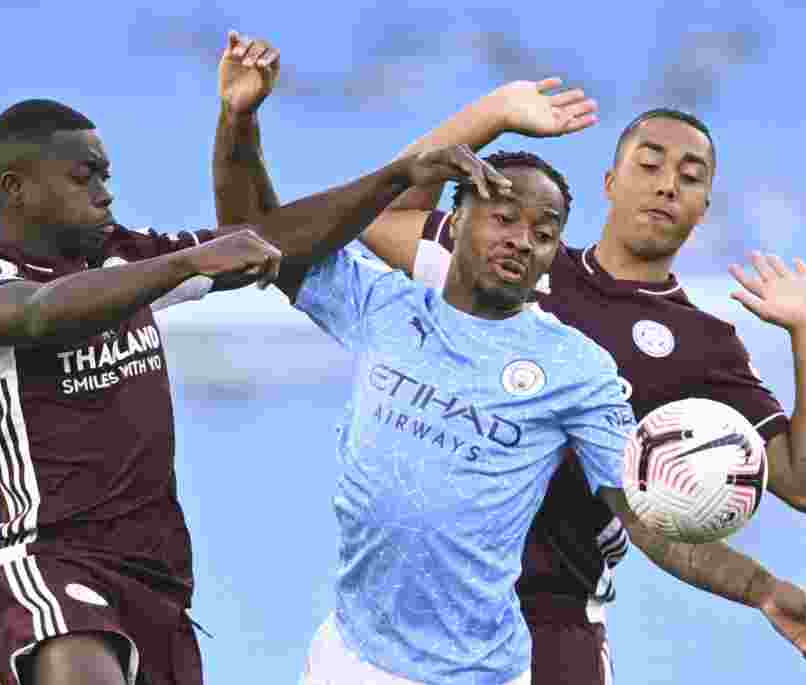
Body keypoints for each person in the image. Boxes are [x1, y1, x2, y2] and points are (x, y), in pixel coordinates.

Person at [211, 37, 806, 684]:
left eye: (690, 176)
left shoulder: (647, 352)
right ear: (611, 179)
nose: (666, 185)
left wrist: (762, 586)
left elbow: (685, 508)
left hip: (547, 627)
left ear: (706, 205)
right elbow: (322, 227)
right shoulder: (451, 280)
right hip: (366, 640)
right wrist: (490, 114)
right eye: (650, 163)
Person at [0, 90, 503, 684]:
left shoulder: (124, 262)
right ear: (15, 188)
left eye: (107, 175)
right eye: (84, 177)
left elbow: (277, 240)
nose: (105, 192)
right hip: (52, 561)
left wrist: (395, 177)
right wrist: (189, 262)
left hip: (158, 583)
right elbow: (35, 312)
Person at [214, 32, 634, 685]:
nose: (521, 240)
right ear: (455, 221)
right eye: (502, 216)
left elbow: (644, 510)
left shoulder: (575, 361)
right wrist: (239, 119)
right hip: (351, 658)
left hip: (493, 659)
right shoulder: (390, 304)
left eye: (543, 232)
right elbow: (253, 242)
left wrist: (757, 585)